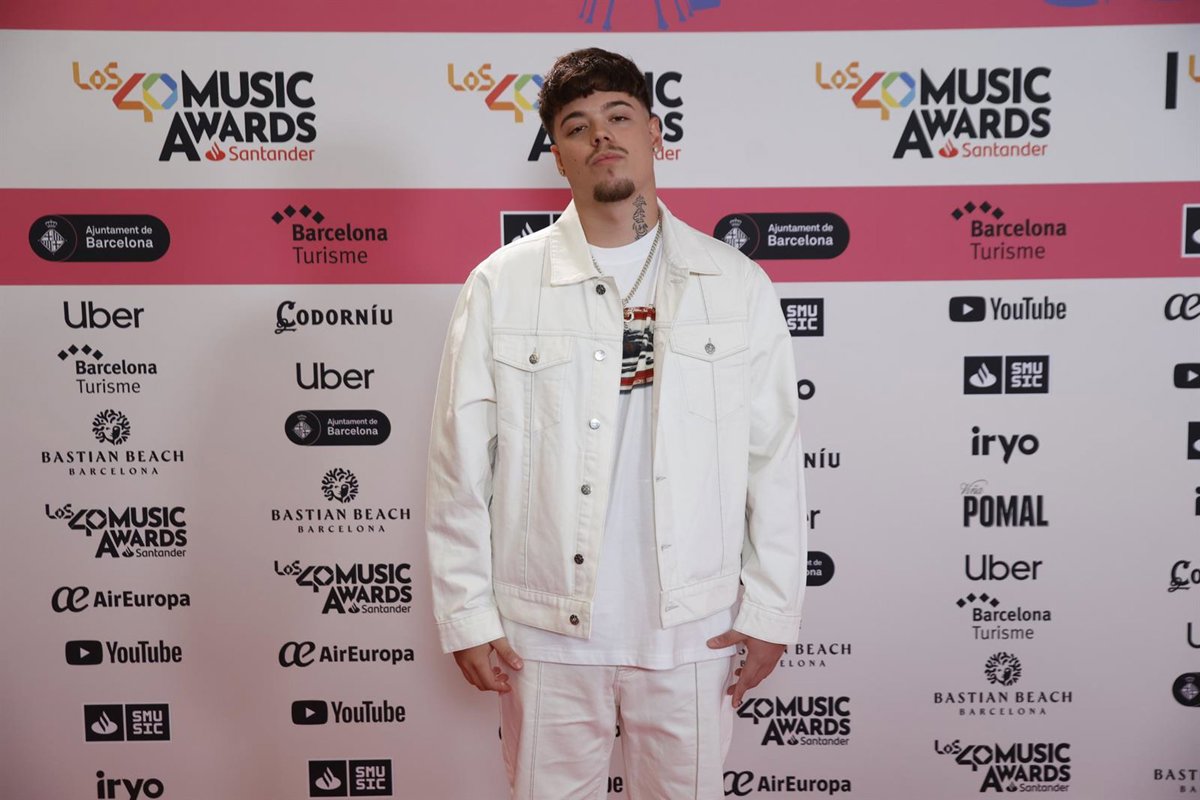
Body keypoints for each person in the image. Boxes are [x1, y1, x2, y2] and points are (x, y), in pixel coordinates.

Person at [425, 47, 808, 800]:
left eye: (619, 116)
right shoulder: (503, 285)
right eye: (577, 126)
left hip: (692, 630)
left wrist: (772, 609)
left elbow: (773, 457)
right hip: (545, 634)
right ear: (558, 155)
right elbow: (458, 464)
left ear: (655, 133)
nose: (601, 135)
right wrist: (466, 613)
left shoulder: (734, 285)